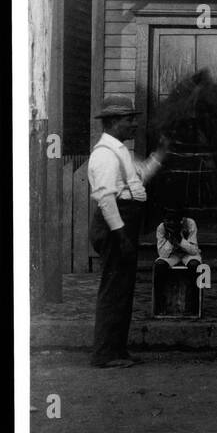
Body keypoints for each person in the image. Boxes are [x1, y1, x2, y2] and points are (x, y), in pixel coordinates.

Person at [88, 95, 169, 368]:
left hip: (124, 224)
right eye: (128, 120)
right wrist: (120, 234)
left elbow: (139, 177)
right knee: (113, 289)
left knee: (122, 289)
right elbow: (106, 199)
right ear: (112, 122)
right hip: (115, 226)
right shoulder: (104, 155)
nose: (134, 124)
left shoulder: (120, 150)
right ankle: (104, 353)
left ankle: (116, 350)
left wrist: (160, 154)